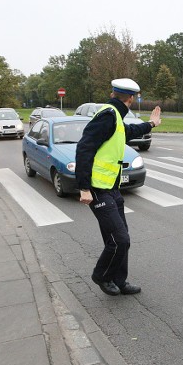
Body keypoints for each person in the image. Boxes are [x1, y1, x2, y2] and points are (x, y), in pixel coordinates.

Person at [76, 78, 161, 296]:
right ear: (131, 98)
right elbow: (84, 148)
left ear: (114, 93)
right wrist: (84, 187)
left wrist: (151, 124)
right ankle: (101, 276)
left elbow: (129, 131)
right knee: (120, 240)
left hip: (111, 188)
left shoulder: (114, 116)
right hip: (97, 188)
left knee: (120, 239)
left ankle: (119, 281)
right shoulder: (107, 116)